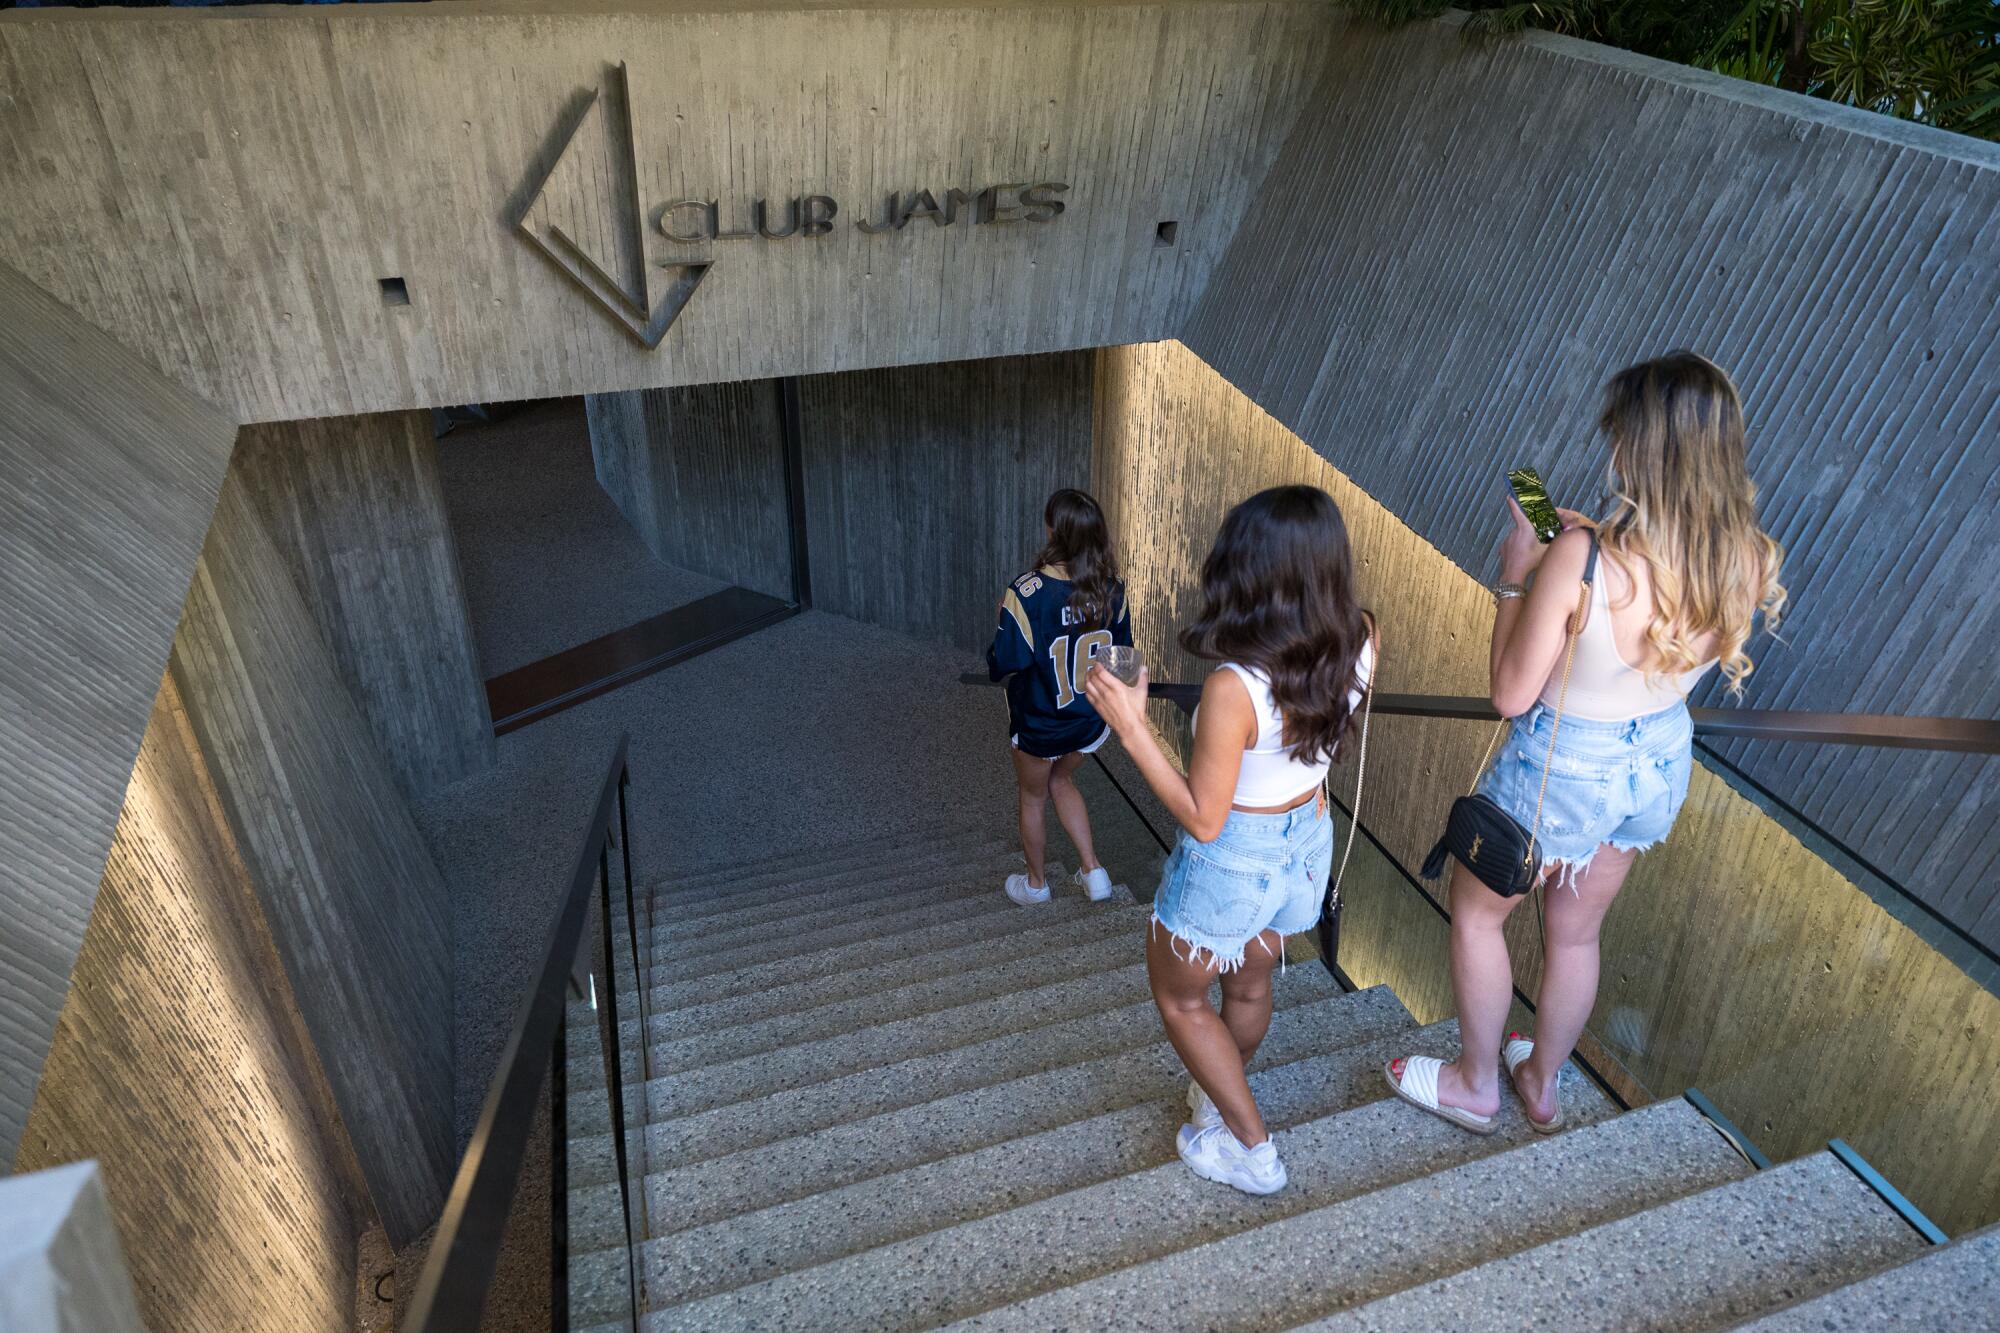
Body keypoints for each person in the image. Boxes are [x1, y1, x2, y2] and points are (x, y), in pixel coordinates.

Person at [1386, 351, 1786, 1136]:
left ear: (1637, 448)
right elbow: (1647, 610)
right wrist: (1588, 545)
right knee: (1575, 931)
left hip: (1563, 768)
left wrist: (1519, 575)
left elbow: (1510, 694)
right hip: (1658, 762)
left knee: (1477, 917)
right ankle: (1539, 1082)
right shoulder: (1743, 555)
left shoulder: (1583, 561)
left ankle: (1474, 1082)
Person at [1084, 485, 1374, 1195]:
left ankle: (1252, 1150)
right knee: (1247, 982)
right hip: (1305, 841)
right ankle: (1217, 1094)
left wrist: (1130, 726)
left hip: (1237, 859)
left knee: (1182, 999)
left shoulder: (1233, 687)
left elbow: (1203, 816)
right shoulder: (1361, 633)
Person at [987, 488, 1132, 906]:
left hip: (1040, 723)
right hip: (1089, 723)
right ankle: (1093, 870)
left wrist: (1002, 621)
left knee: (1033, 795)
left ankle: (1036, 885)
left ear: (1052, 530)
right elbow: (1124, 665)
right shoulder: (1113, 590)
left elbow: (1004, 664)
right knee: (1062, 779)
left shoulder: (1025, 593)